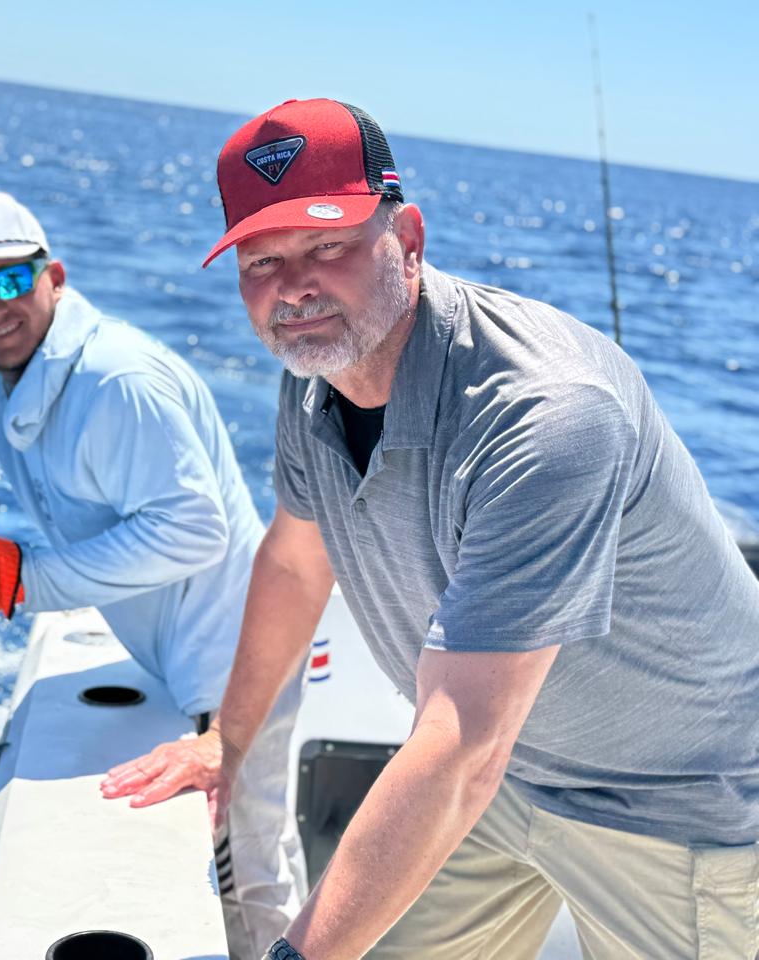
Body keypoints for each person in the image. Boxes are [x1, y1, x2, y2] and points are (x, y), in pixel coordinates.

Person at [100, 99, 759, 959]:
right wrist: (226, 741)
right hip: (507, 775)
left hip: (671, 809)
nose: (293, 286)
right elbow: (299, 562)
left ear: (406, 237)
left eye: (327, 245)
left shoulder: (548, 415)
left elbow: (461, 745)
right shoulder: (315, 373)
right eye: (262, 259)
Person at [0, 190, 307, 957]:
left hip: (237, 659)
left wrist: (28, 582)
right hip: (169, 658)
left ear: (53, 274)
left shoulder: (118, 382)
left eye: (9, 282)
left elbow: (194, 531)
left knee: (251, 879)